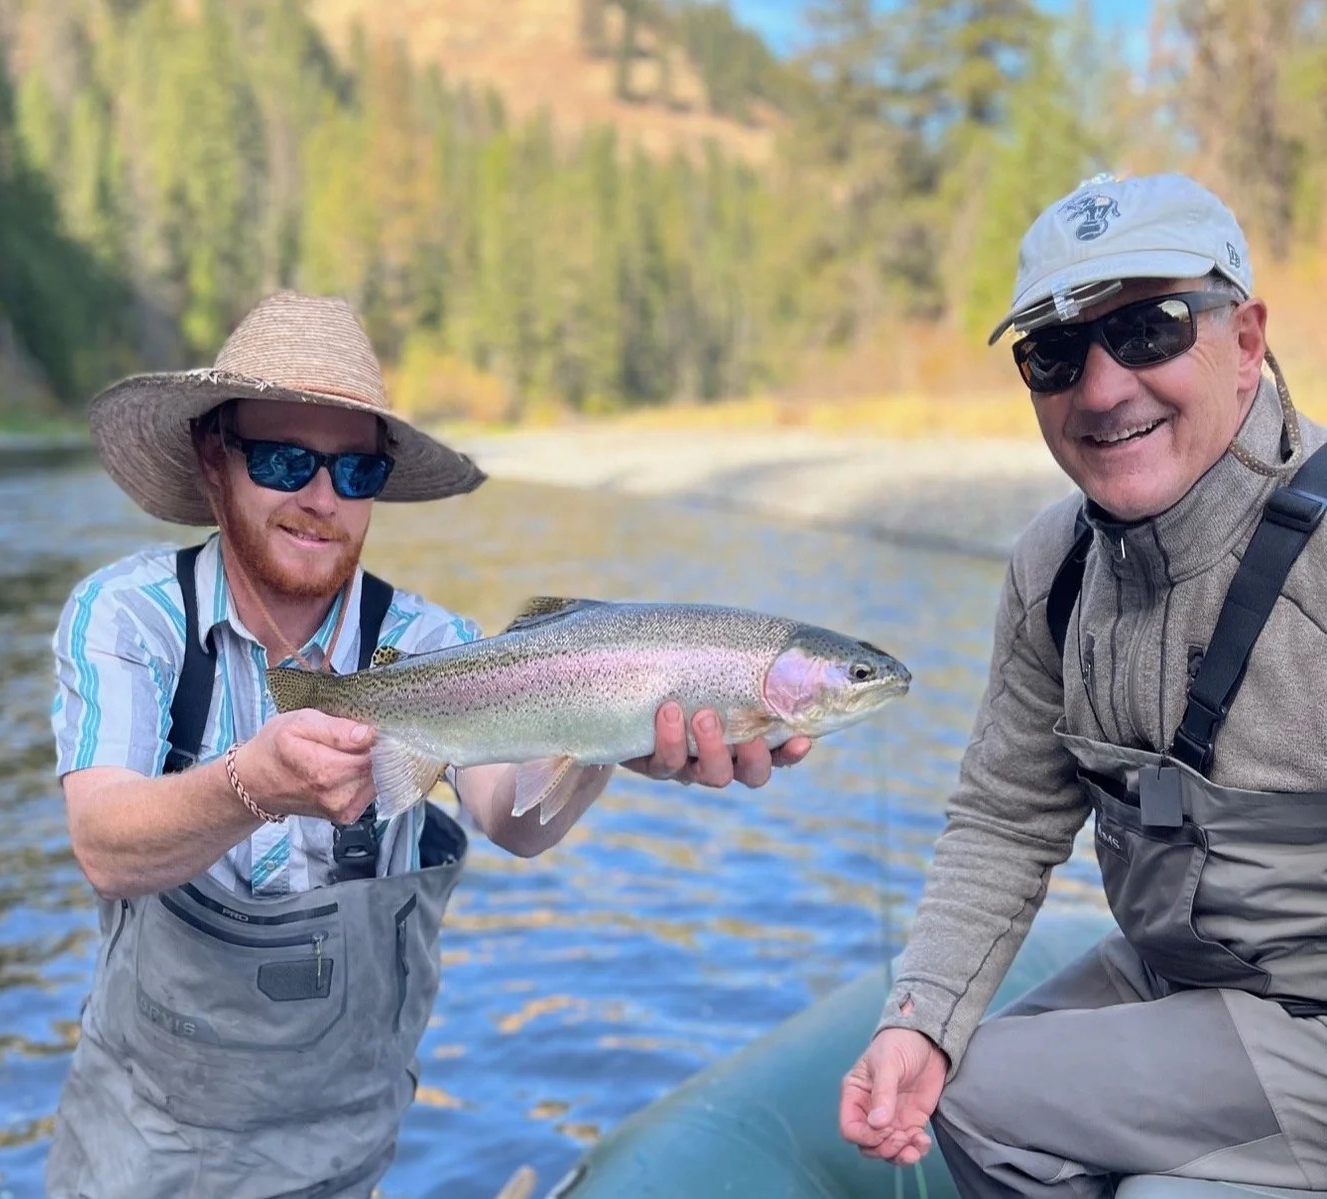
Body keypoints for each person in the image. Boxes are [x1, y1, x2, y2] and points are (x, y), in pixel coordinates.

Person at [46, 290, 812, 1198]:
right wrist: (249, 784)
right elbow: (103, 843)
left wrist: (612, 737)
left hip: (349, 1162)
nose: (321, 498)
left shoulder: (432, 644)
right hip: (141, 1162)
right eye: (286, 460)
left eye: (355, 473)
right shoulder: (127, 617)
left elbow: (513, 821)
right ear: (216, 459)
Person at [838, 172, 1327, 1197]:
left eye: (1148, 329)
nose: (1102, 389)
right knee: (944, 1077)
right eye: (1054, 353)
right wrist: (919, 1014)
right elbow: (1005, 819)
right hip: (1180, 981)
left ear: (1245, 341)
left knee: (1004, 1107)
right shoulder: (1051, 569)